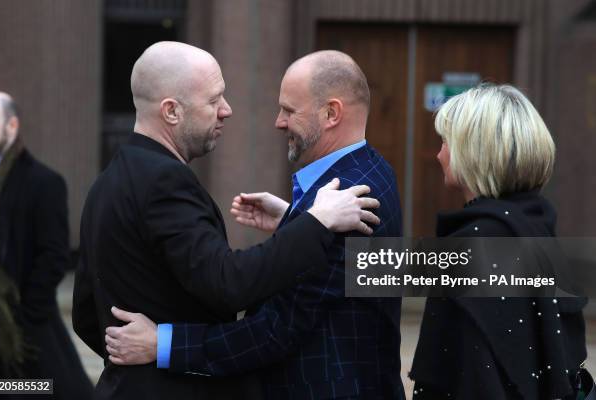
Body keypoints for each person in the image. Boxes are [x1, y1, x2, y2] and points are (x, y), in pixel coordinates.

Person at [73, 43, 382, 400]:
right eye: (213, 100)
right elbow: (228, 283)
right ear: (171, 111)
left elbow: (85, 313)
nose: (227, 111)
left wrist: (293, 222)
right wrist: (314, 222)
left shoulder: (108, 181)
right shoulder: (163, 182)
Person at [409, 84, 587, 399]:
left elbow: (474, 378)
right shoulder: (534, 225)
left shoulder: (476, 245)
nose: (439, 154)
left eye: (446, 142)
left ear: (472, 153)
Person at [0, 92, 93, 398]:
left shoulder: (43, 183)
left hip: (21, 322)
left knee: (37, 389)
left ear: (12, 126)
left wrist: (26, 311)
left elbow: (54, 254)